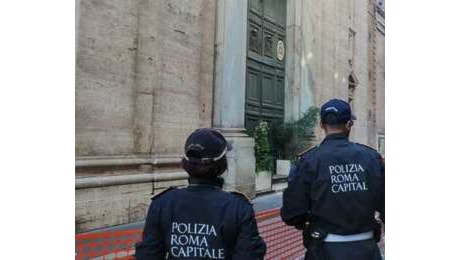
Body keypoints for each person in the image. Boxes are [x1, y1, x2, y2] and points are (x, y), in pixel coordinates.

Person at [135, 128, 266, 260]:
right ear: (222, 164)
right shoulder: (239, 208)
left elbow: (148, 254)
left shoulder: (162, 204)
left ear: (186, 164)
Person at [281, 99, 385, 260]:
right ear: (349, 124)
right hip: (366, 251)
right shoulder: (371, 158)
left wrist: (308, 221)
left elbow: (292, 213)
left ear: (322, 125)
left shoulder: (309, 161)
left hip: (324, 251)